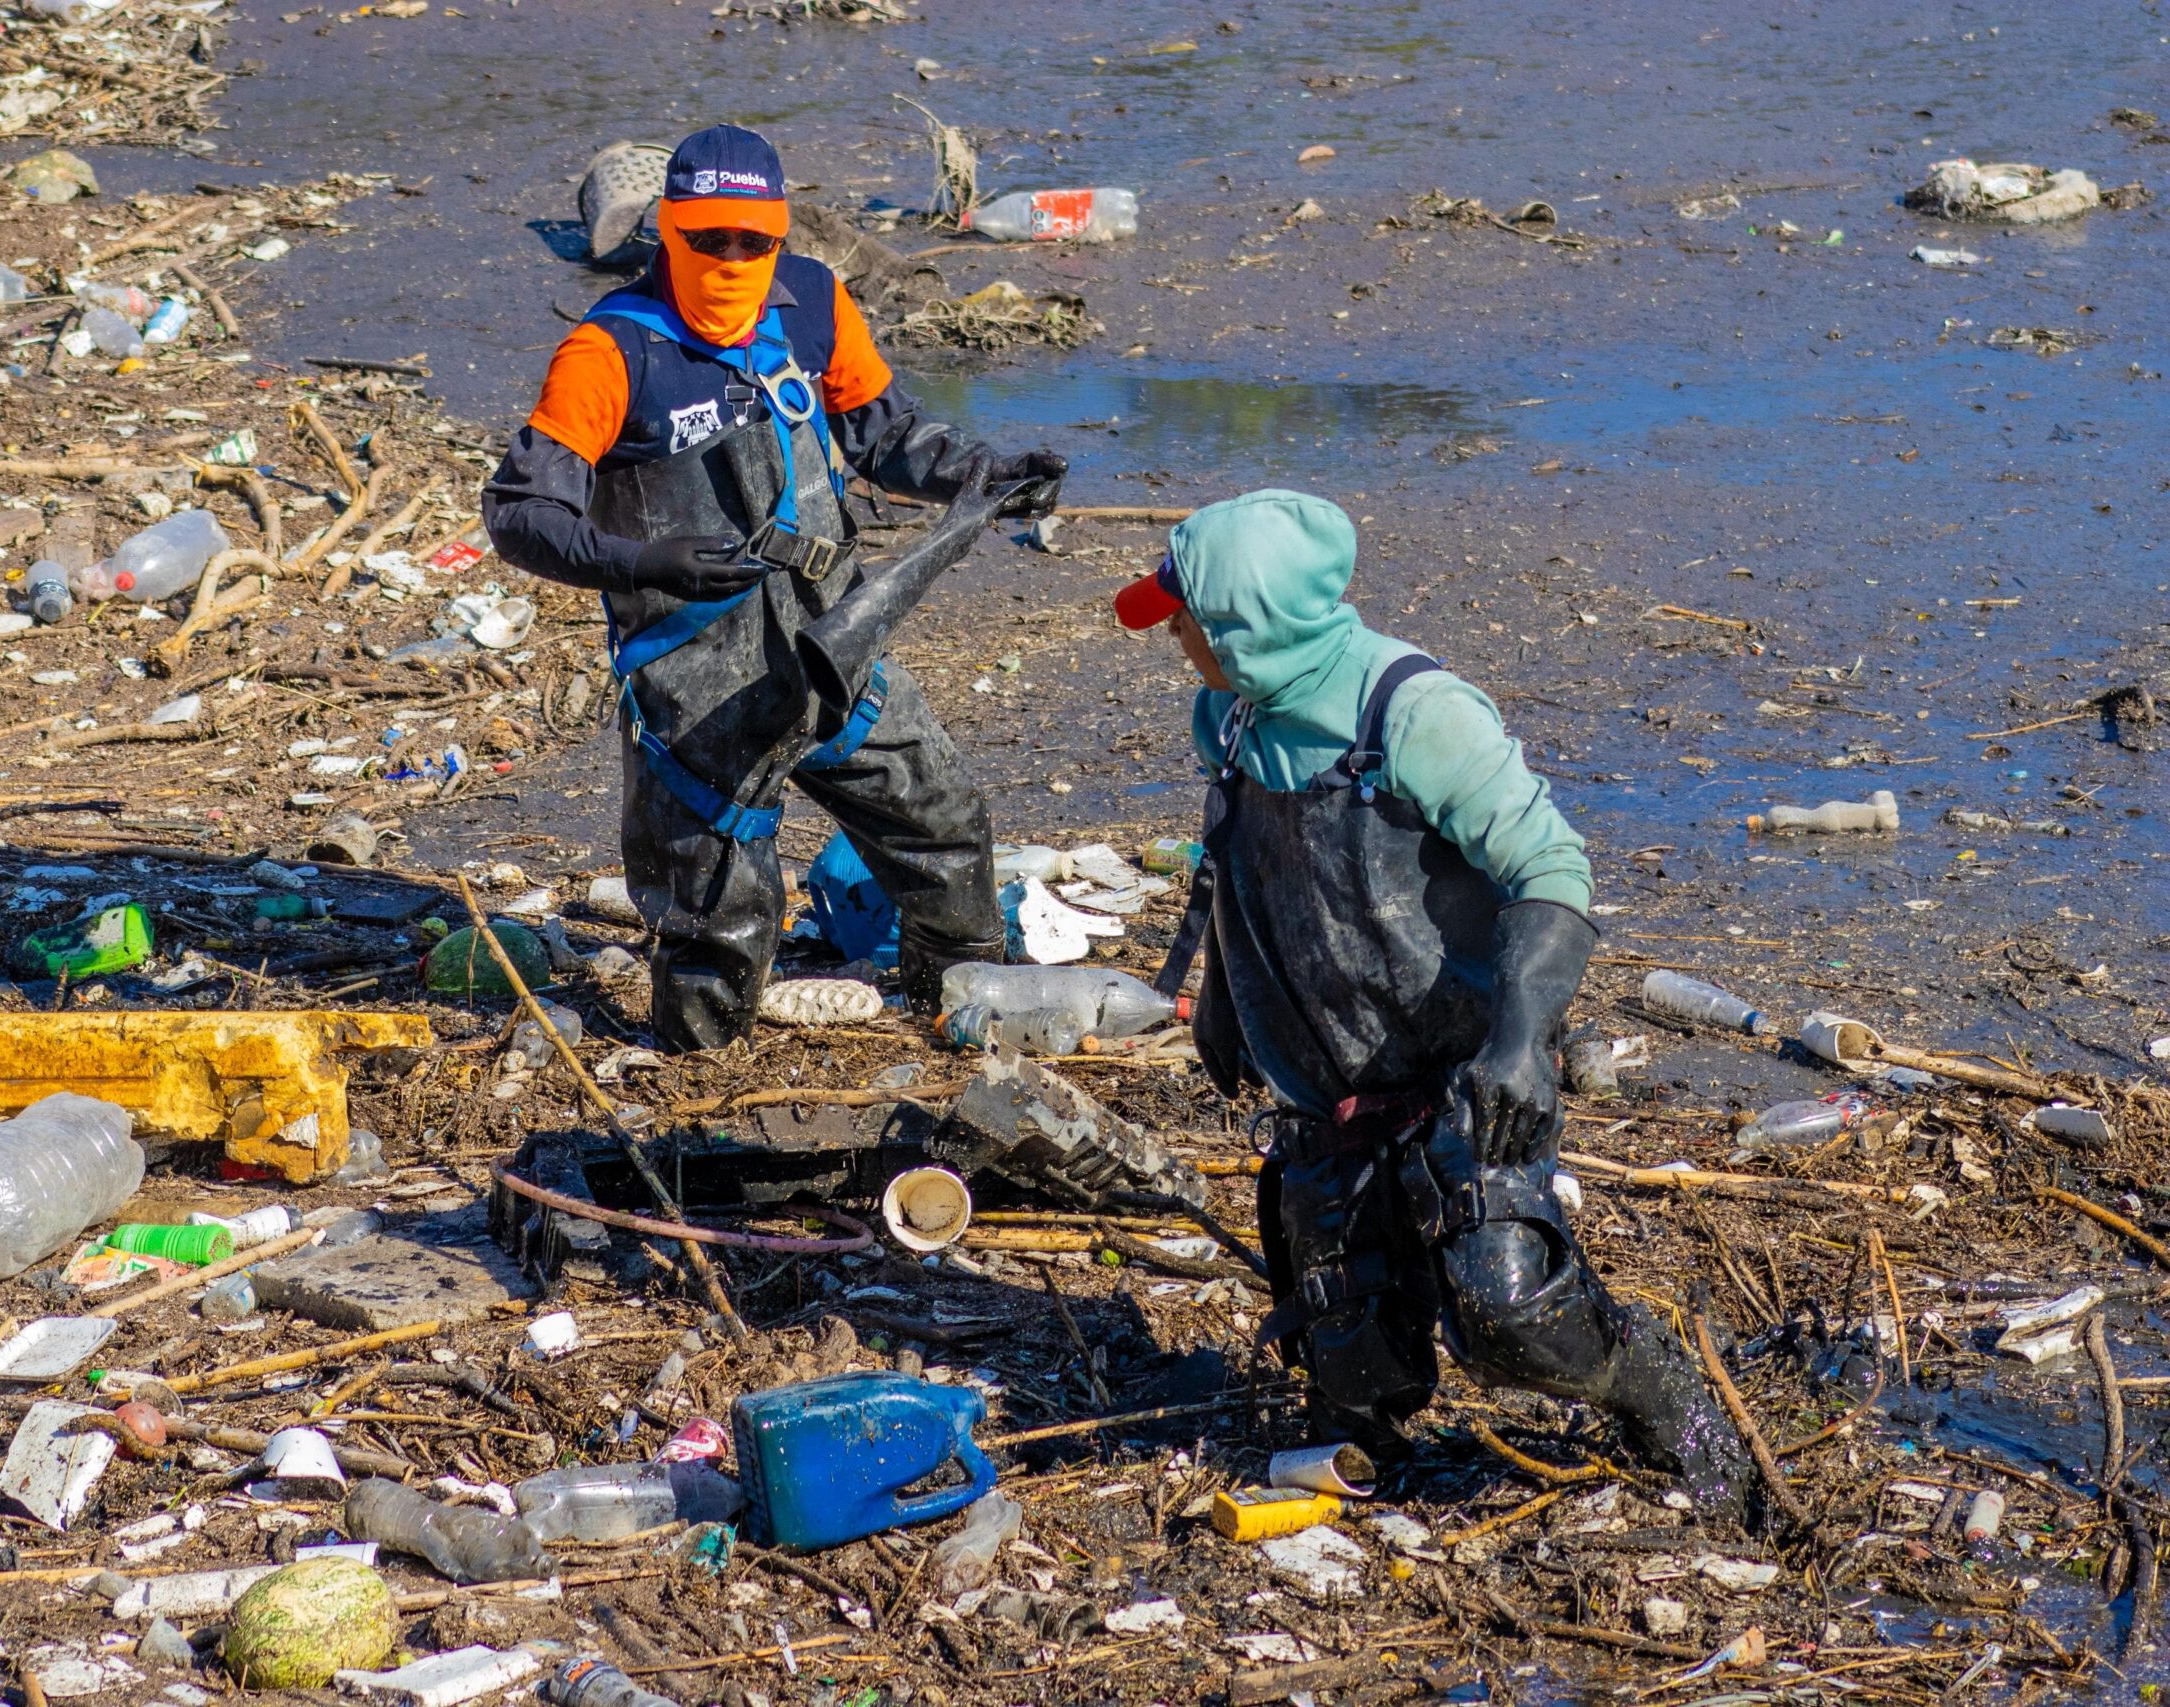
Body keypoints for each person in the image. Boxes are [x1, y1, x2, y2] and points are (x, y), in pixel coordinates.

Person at [1116, 489, 1752, 1515]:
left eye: (1184, 616)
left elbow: (1553, 873)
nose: (1173, 635)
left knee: (1515, 1316)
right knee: (1352, 1370)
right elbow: (1238, 860)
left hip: (1460, 1075)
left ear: (1245, 623)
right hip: (1327, 1097)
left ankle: (1663, 1395)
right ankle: (1374, 1475)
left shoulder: (1411, 711)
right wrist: (1228, 1000)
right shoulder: (1226, 717)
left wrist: (1519, 1043)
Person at [483, 124, 1065, 1051]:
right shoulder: (610, 354)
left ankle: (958, 1019)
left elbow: (884, 436)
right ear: (668, 232)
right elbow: (518, 512)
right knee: (720, 923)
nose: (731, 259)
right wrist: (644, 561)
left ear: (781, 236)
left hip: (835, 652)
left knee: (945, 820)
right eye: (708, 240)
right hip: (696, 692)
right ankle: (698, 1086)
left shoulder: (814, 306)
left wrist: (987, 472)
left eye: (753, 242)